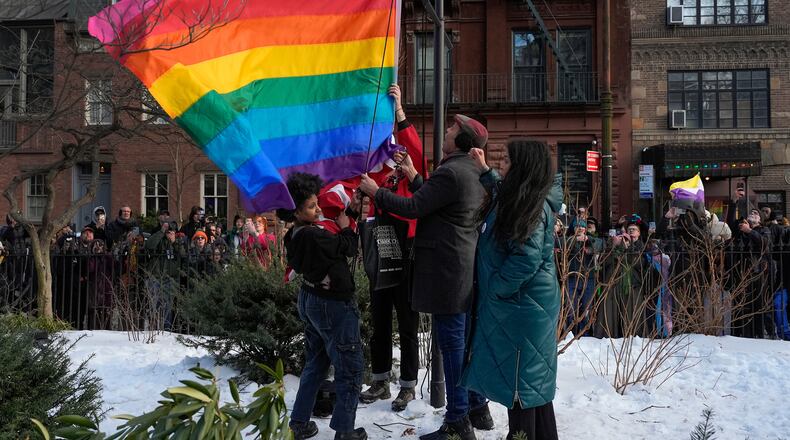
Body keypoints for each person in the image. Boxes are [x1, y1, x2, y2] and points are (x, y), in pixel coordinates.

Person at [360, 114, 492, 440]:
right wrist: (415, 175)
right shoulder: (471, 169)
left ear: (460, 140)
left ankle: (458, 422)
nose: (445, 131)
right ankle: (478, 408)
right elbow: (439, 202)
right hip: (464, 268)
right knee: (465, 343)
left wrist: (376, 192)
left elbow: (415, 208)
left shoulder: (450, 171)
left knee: (452, 346)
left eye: (451, 129)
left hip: (448, 272)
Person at [461, 140, 561, 440]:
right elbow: (506, 193)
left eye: (506, 159)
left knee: (521, 388)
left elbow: (525, 258)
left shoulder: (532, 205)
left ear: (522, 166)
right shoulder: (523, 196)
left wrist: (496, 289)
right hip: (524, 307)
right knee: (532, 387)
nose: (500, 162)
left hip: (523, 308)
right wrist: (485, 171)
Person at [278, 173, 366, 440]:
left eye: (317, 204)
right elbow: (346, 246)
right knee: (350, 366)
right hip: (333, 306)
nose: (318, 210)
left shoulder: (296, 233)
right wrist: (348, 226)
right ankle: (344, 430)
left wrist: (350, 210)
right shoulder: (313, 237)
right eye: (312, 207)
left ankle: (299, 421)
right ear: (296, 211)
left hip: (312, 299)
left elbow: (334, 244)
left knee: (316, 363)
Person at [358, 84, 423, 412]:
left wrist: (399, 109)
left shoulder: (413, 174)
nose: (396, 154)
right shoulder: (378, 174)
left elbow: (414, 146)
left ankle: (408, 385)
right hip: (381, 247)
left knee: (407, 321)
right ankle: (380, 379)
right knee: (380, 317)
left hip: (407, 249)